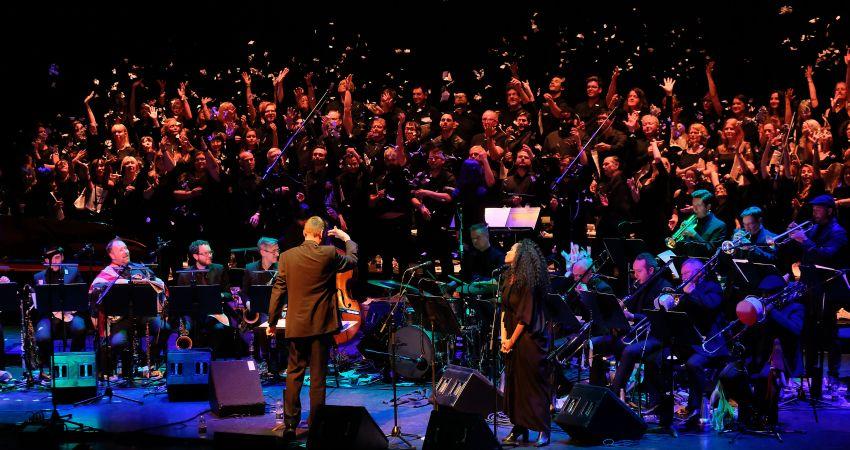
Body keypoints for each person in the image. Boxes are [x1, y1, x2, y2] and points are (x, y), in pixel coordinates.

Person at [267, 217, 357, 436]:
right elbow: (353, 259)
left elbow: (278, 291)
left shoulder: (286, 257)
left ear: (304, 233)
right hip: (321, 326)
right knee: (318, 377)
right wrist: (347, 239)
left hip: (297, 325)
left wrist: (272, 322)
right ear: (321, 234)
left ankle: (290, 424)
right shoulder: (328, 253)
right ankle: (317, 424)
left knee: (294, 373)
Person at [500, 239, 552, 447]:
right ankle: (519, 427)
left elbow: (525, 317)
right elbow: (504, 309)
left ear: (521, 255)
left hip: (529, 339)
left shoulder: (528, 282)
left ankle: (543, 428)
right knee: (515, 384)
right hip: (511, 337)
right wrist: (503, 338)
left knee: (532, 384)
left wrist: (511, 341)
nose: (507, 250)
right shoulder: (508, 277)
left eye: (512, 249)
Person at [89, 239, 166, 379]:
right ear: (112, 255)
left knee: (163, 327)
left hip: (143, 313)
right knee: (118, 342)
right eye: (121, 250)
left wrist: (147, 282)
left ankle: (151, 361)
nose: (126, 251)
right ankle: (123, 369)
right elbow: (96, 291)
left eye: (126, 248)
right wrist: (122, 282)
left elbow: (160, 283)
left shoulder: (139, 268)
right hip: (120, 319)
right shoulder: (107, 273)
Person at [33, 246, 87, 379]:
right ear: (46, 260)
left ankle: (73, 363)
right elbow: (37, 301)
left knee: (80, 328)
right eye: (51, 259)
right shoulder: (39, 277)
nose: (55, 261)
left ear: (62, 257)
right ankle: (51, 368)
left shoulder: (73, 272)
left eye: (57, 257)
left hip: (70, 313)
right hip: (49, 316)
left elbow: (81, 295)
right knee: (42, 336)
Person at [678, 189, 727, 257]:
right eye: (693, 205)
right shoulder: (692, 220)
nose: (695, 209)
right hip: (686, 261)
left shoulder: (719, 226)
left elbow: (711, 251)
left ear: (708, 207)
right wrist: (682, 235)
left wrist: (694, 235)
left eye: (698, 205)